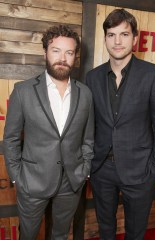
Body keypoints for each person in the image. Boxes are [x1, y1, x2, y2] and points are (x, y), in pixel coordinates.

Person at [86, 8, 155, 240]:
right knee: (106, 228)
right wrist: (91, 162)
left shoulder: (153, 75)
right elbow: (89, 125)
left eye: (124, 34)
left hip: (140, 169)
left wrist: (154, 168)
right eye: (111, 34)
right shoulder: (92, 78)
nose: (117, 41)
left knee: (135, 232)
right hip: (102, 168)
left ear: (135, 38)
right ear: (105, 39)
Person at [3, 25, 94, 240]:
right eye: (56, 50)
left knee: (61, 235)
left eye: (69, 52)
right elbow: (11, 139)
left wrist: (85, 170)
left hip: (71, 181)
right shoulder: (23, 91)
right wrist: (17, 177)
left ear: (75, 57)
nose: (62, 58)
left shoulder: (86, 94)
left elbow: (88, 138)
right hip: (32, 181)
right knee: (28, 234)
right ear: (45, 52)